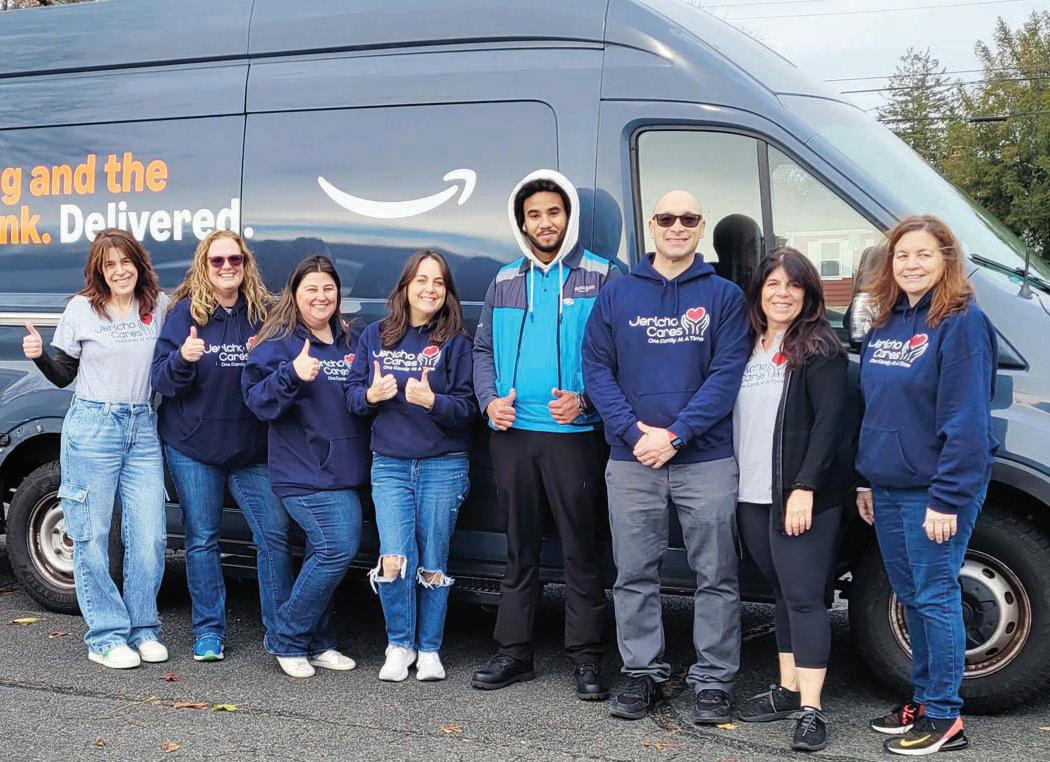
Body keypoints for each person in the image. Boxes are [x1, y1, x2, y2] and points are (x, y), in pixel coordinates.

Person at [582, 190, 749, 723]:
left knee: (716, 574)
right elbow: (596, 369)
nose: (677, 226)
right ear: (651, 226)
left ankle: (713, 680)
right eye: (667, 218)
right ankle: (642, 673)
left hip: (705, 459)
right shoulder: (617, 293)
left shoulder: (724, 296)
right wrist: (634, 433)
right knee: (633, 572)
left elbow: (727, 375)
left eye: (689, 219)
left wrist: (676, 434)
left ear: (700, 228)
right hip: (632, 458)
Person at [470, 169, 620, 700]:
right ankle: (514, 652)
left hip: (574, 436)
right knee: (519, 547)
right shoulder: (504, 279)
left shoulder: (603, 276)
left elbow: (621, 356)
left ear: (569, 217)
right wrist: (489, 402)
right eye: (533, 214)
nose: (544, 222)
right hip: (513, 435)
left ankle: (588, 657)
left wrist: (587, 401)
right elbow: (482, 350)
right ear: (522, 223)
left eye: (553, 212)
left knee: (582, 548)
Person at [856, 215, 997, 756]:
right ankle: (921, 699)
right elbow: (876, 408)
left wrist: (948, 497)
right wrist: (866, 480)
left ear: (946, 261)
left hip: (935, 491)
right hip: (888, 487)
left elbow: (968, 420)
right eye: (902, 255)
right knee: (912, 595)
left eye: (923, 254)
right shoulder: (886, 322)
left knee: (936, 595)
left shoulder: (962, 323)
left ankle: (944, 715)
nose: (911, 264)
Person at [22, 228, 169, 669]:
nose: (119, 271)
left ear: (138, 264)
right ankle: (105, 636)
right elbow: (63, 374)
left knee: (150, 536)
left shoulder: (158, 306)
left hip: (142, 426)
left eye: (126, 262)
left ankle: (143, 628)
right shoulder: (81, 309)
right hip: (93, 427)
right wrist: (39, 355)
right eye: (110, 265)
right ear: (98, 272)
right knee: (91, 535)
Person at [151, 230, 292, 662]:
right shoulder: (184, 314)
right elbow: (161, 380)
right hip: (193, 446)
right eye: (217, 260)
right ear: (204, 265)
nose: (227, 267)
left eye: (235, 259)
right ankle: (209, 631)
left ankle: (282, 633)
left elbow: (289, 366)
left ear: (246, 264)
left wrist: (268, 356)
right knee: (202, 539)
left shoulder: (265, 313)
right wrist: (183, 358)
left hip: (251, 449)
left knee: (273, 535)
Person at [732, 249, 847, 753]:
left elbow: (829, 427)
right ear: (759, 292)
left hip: (798, 496)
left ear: (808, 294)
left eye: (793, 285)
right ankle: (786, 688)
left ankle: (811, 708)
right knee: (779, 592)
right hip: (751, 493)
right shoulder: (746, 346)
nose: (782, 294)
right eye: (773, 284)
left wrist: (806, 488)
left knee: (804, 597)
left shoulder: (820, 348)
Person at [346, 249, 476, 682]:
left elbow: (469, 408)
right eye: (421, 280)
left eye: (438, 282)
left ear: (447, 291)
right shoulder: (376, 335)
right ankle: (399, 645)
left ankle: (430, 649)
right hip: (391, 464)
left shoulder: (456, 341)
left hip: (443, 465)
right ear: (405, 287)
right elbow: (352, 396)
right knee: (394, 558)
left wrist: (433, 402)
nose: (429, 289)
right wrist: (371, 396)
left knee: (434, 558)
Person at [242, 255, 368, 679]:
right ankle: (287, 637)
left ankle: (319, 641)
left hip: (345, 470)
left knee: (321, 554)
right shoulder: (278, 344)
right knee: (337, 548)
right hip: (302, 472)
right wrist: (291, 374)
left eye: (328, 288)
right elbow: (257, 402)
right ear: (294, 294)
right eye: (311, 288)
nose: (321, 296)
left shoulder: (351, 341)